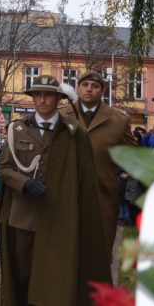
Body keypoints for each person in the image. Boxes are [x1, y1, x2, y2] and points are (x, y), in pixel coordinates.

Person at [0, 75, 110, 305]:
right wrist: (25, 183)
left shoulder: (74, 133)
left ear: (58, 98)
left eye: (48, 94)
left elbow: (84, 178)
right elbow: (4, 169)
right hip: (24, 217)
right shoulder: (17, 129)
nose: (42, 100)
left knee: (55, 276)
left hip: (60, 218)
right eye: (37, 94)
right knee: (23, 273)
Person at [59, 69, 136, 259]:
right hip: (66, 192)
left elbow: (133, 154)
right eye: (85, 85)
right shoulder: (62, 115)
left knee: (98, 254)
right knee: (65, 251)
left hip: (102, 193)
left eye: (95, 86)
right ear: (77, 88)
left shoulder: (119, 120)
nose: (89, 90)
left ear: (102, 91)